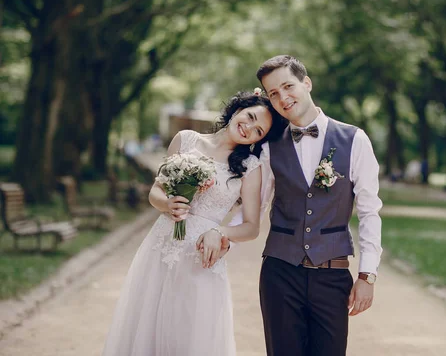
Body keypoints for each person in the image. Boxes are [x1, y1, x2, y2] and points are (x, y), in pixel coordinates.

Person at [102, 91, 286, 356]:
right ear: (238, 109)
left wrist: (219, 231)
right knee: (147, 325)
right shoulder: (186, 139)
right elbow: (156, 190)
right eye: (250, 117)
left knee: (190, 333)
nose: (249, 128)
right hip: (162, 244)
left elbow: (251, 227)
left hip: (202, 256)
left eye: (258, 131)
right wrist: (167, 204)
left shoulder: (249, 166)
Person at [254, 55, 383, 355]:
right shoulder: (268, 146)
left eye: (288, 86)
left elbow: (369, 211)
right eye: (273, 93)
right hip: (280, 275)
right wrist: (220, 235)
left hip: (332, 275)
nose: (283, 97)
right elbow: (255, 207)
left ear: (307, 83)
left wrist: (367, 275)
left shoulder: (354, 139)